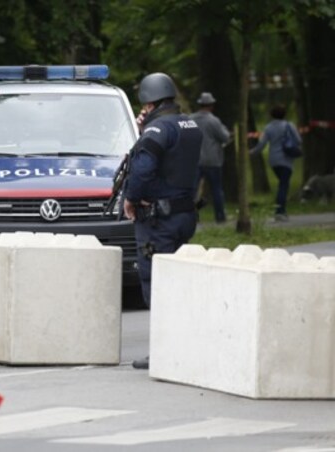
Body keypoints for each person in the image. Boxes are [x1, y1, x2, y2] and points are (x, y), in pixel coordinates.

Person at [123, 73, 202, 370]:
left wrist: (131, 199)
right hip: (184, 214)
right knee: (179, 280)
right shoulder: (190, 124)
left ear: (150, 101)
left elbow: (143, 169)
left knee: (154, 280)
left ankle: (163, 350)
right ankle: (184, 344)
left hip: (159, 220)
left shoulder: (156, 130)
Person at [250, 104, 301, 222]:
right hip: (286, 159)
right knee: (283, 185)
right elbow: (298, 140)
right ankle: (280, 211)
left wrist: (252, 152)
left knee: (282, 184)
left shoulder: (268, 128)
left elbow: (262, 144)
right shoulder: (289, 125)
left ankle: (280, 209)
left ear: (271, 115)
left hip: (274, 160)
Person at [190, 92, 230, 223]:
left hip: (194, 160)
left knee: (193, 190)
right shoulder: (213, 120)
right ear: (211, 105)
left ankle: (191, 216)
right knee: (217, 189)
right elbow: (225, 137)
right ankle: (220, 216)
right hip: (213, 160)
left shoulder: (190, 119)